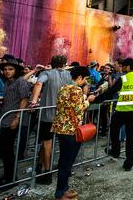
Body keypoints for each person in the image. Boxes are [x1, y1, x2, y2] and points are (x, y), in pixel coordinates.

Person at [90, 58, 133, 171]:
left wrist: (95, 99)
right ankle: (129, 163)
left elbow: (110, 93)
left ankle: (115, 151)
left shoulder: (123, 79)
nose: (122, 68)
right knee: (132, 138)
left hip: (123, 111)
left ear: (128, 67)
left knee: (114, 128)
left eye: (123, 66)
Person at [29, 54, 72, 184]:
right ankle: (41, 164)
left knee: (47, 142)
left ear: (51, 63)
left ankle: (47, 173)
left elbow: (38, 84)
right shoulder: (69, 75)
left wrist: (34, 101)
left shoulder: (47, 73)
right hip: (63, 115)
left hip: (47, 114)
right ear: (64, 64)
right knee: (57, 143)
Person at [51, 66, 90, 200]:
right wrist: (87, 101)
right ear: (79, 77)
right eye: (84, 79)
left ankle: (64, 189)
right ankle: (60, 193)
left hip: (61, 128)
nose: (85, 81)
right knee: (67, 163)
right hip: (72, 130)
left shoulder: (63, 88)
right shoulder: (77, 90)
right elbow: (79, 109)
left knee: (63, 160)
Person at [0, 59, 31, 189]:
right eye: (5, 69)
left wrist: (17, 118)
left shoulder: (20, 82)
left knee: (7, 150)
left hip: (11, 120)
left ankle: (11, 179)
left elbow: (24, 99)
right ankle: (8, 176)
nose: (7, 72)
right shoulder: (7, 82)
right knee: (4, 150)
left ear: (16, 70)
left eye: (10, 69)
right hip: (4, 119)